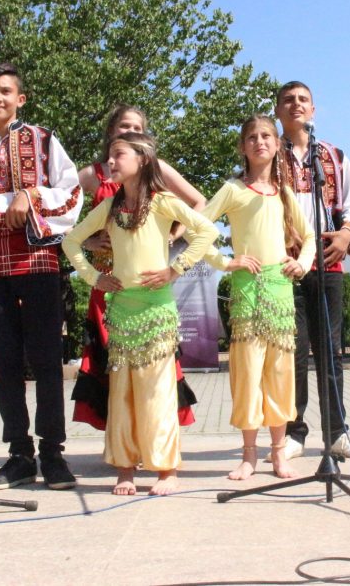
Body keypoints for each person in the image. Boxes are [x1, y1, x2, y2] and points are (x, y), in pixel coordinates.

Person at [62, 132, 217, 496]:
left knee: (157, 392)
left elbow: (206, 230)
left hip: (157, 310)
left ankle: (166, 469)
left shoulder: (163, 201)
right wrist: (94, 277)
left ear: (143, 160)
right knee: (123, 393)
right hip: (122, 312)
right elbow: (71, 240)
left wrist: (176, 269)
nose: (110, 161)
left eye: (119, 154)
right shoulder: (110, 207)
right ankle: (125, 469)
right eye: (109, 155)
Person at [0, 62, 83, 490]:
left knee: (46, 358)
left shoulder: (43, 139)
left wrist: (30, 196)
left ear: (20, 98)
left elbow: (71, 191)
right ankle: (19, 454)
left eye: (6, 91)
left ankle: (53, 453)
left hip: (36, 260)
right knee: (5, 361)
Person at [72, 104, 202, 431]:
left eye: (136, 128)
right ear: (111, 132)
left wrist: (173, 235)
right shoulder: (93, 174)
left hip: (146, 284)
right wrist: (86, 242)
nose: (130, 132)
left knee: (152, 361)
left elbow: (199, 202)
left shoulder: (156, 168)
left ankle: (153, 435)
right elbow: (56, 209)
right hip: (108, 282)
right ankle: (121, 437)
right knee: (112, 362)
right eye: (124, 127)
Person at [201, 115, 316, 480]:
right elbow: (196, 227)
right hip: (247, 289)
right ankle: (248, 454)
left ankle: (278, 452)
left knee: (280, 373)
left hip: (280, 290)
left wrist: (301, 264)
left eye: (266, 135)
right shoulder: (233, 189)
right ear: (242, 146)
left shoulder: (284, 193)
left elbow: (309, 237)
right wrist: (225, 261)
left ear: (277, 144)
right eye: (252, 137)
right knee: (248, 372)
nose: (260, 142)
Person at [275, 81, 350, 460]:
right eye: (288, 100)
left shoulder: (332, 155)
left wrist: (346, 234)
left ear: (313, 110)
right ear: (278, 111)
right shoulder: (267, 153)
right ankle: (293, 432)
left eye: (303, 100)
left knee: (330, 350)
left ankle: (336, 432)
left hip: (328, 261)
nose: (296, 105)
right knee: (293, 350)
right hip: (284, 265)